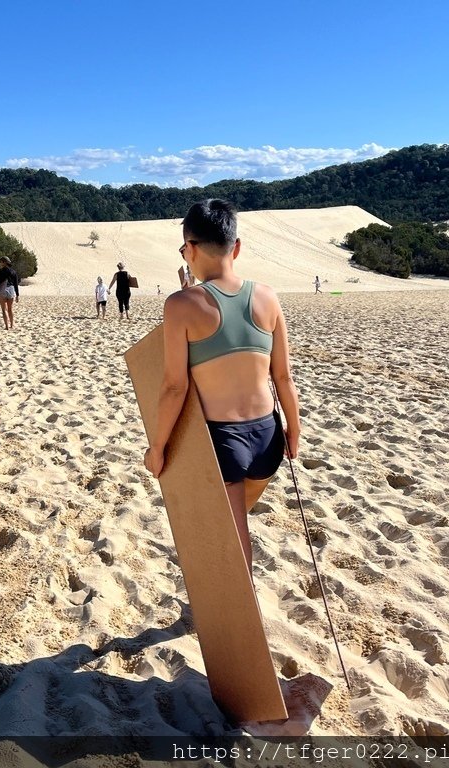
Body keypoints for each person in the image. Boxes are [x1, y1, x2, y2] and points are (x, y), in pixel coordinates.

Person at [144, 199, 300, 573]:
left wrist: (158, 447)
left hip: (222, 441)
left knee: (232, 538)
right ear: (237, 247)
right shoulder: (267, 296)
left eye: (184, 250)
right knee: (232, 521)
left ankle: (239, 620)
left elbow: (174, 387)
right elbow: (283, 377)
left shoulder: (180, 304)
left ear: (192, 249)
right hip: (268, 436)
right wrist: (294, 430)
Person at [0, 256, 19, 330]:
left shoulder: (0, 271)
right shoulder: (13, 272)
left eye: (1, 261)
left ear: (4, 262)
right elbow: (16, 284)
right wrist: (17, 295)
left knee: (4, 309)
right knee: (10, 309)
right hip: (11, 290)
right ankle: (12, 325)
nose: (0, 263)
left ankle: (6, 326)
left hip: (2, 290)